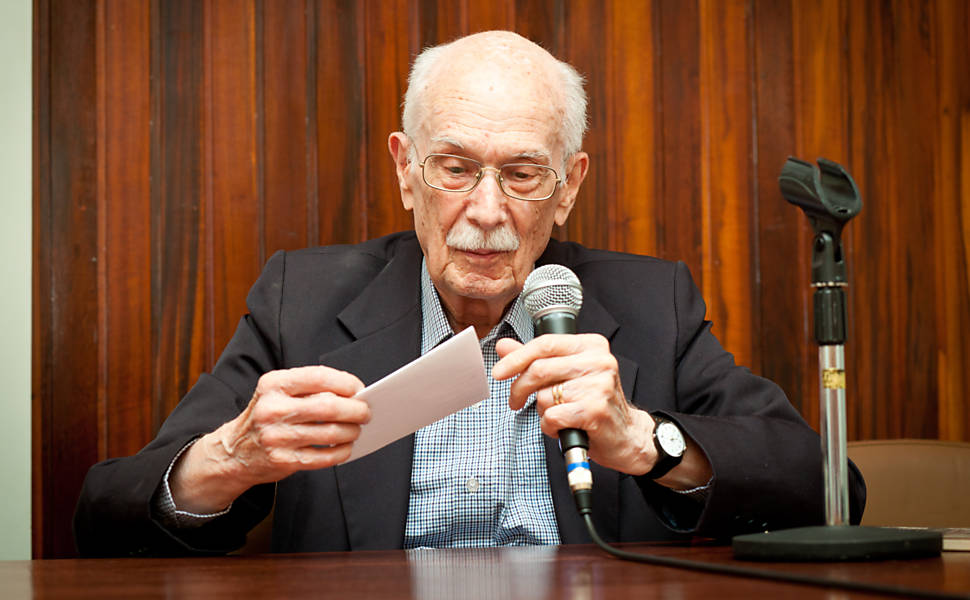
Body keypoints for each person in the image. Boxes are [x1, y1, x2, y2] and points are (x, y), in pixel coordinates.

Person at [75, 30, 865, 556]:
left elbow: (829, 490)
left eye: (522, 174)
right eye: (454, 168)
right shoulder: (303, 300)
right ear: (405, 171)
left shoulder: (651, 302)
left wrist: (648, 441)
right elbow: (105, 515)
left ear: (568, 187)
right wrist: (235, 456)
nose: (485, 212)